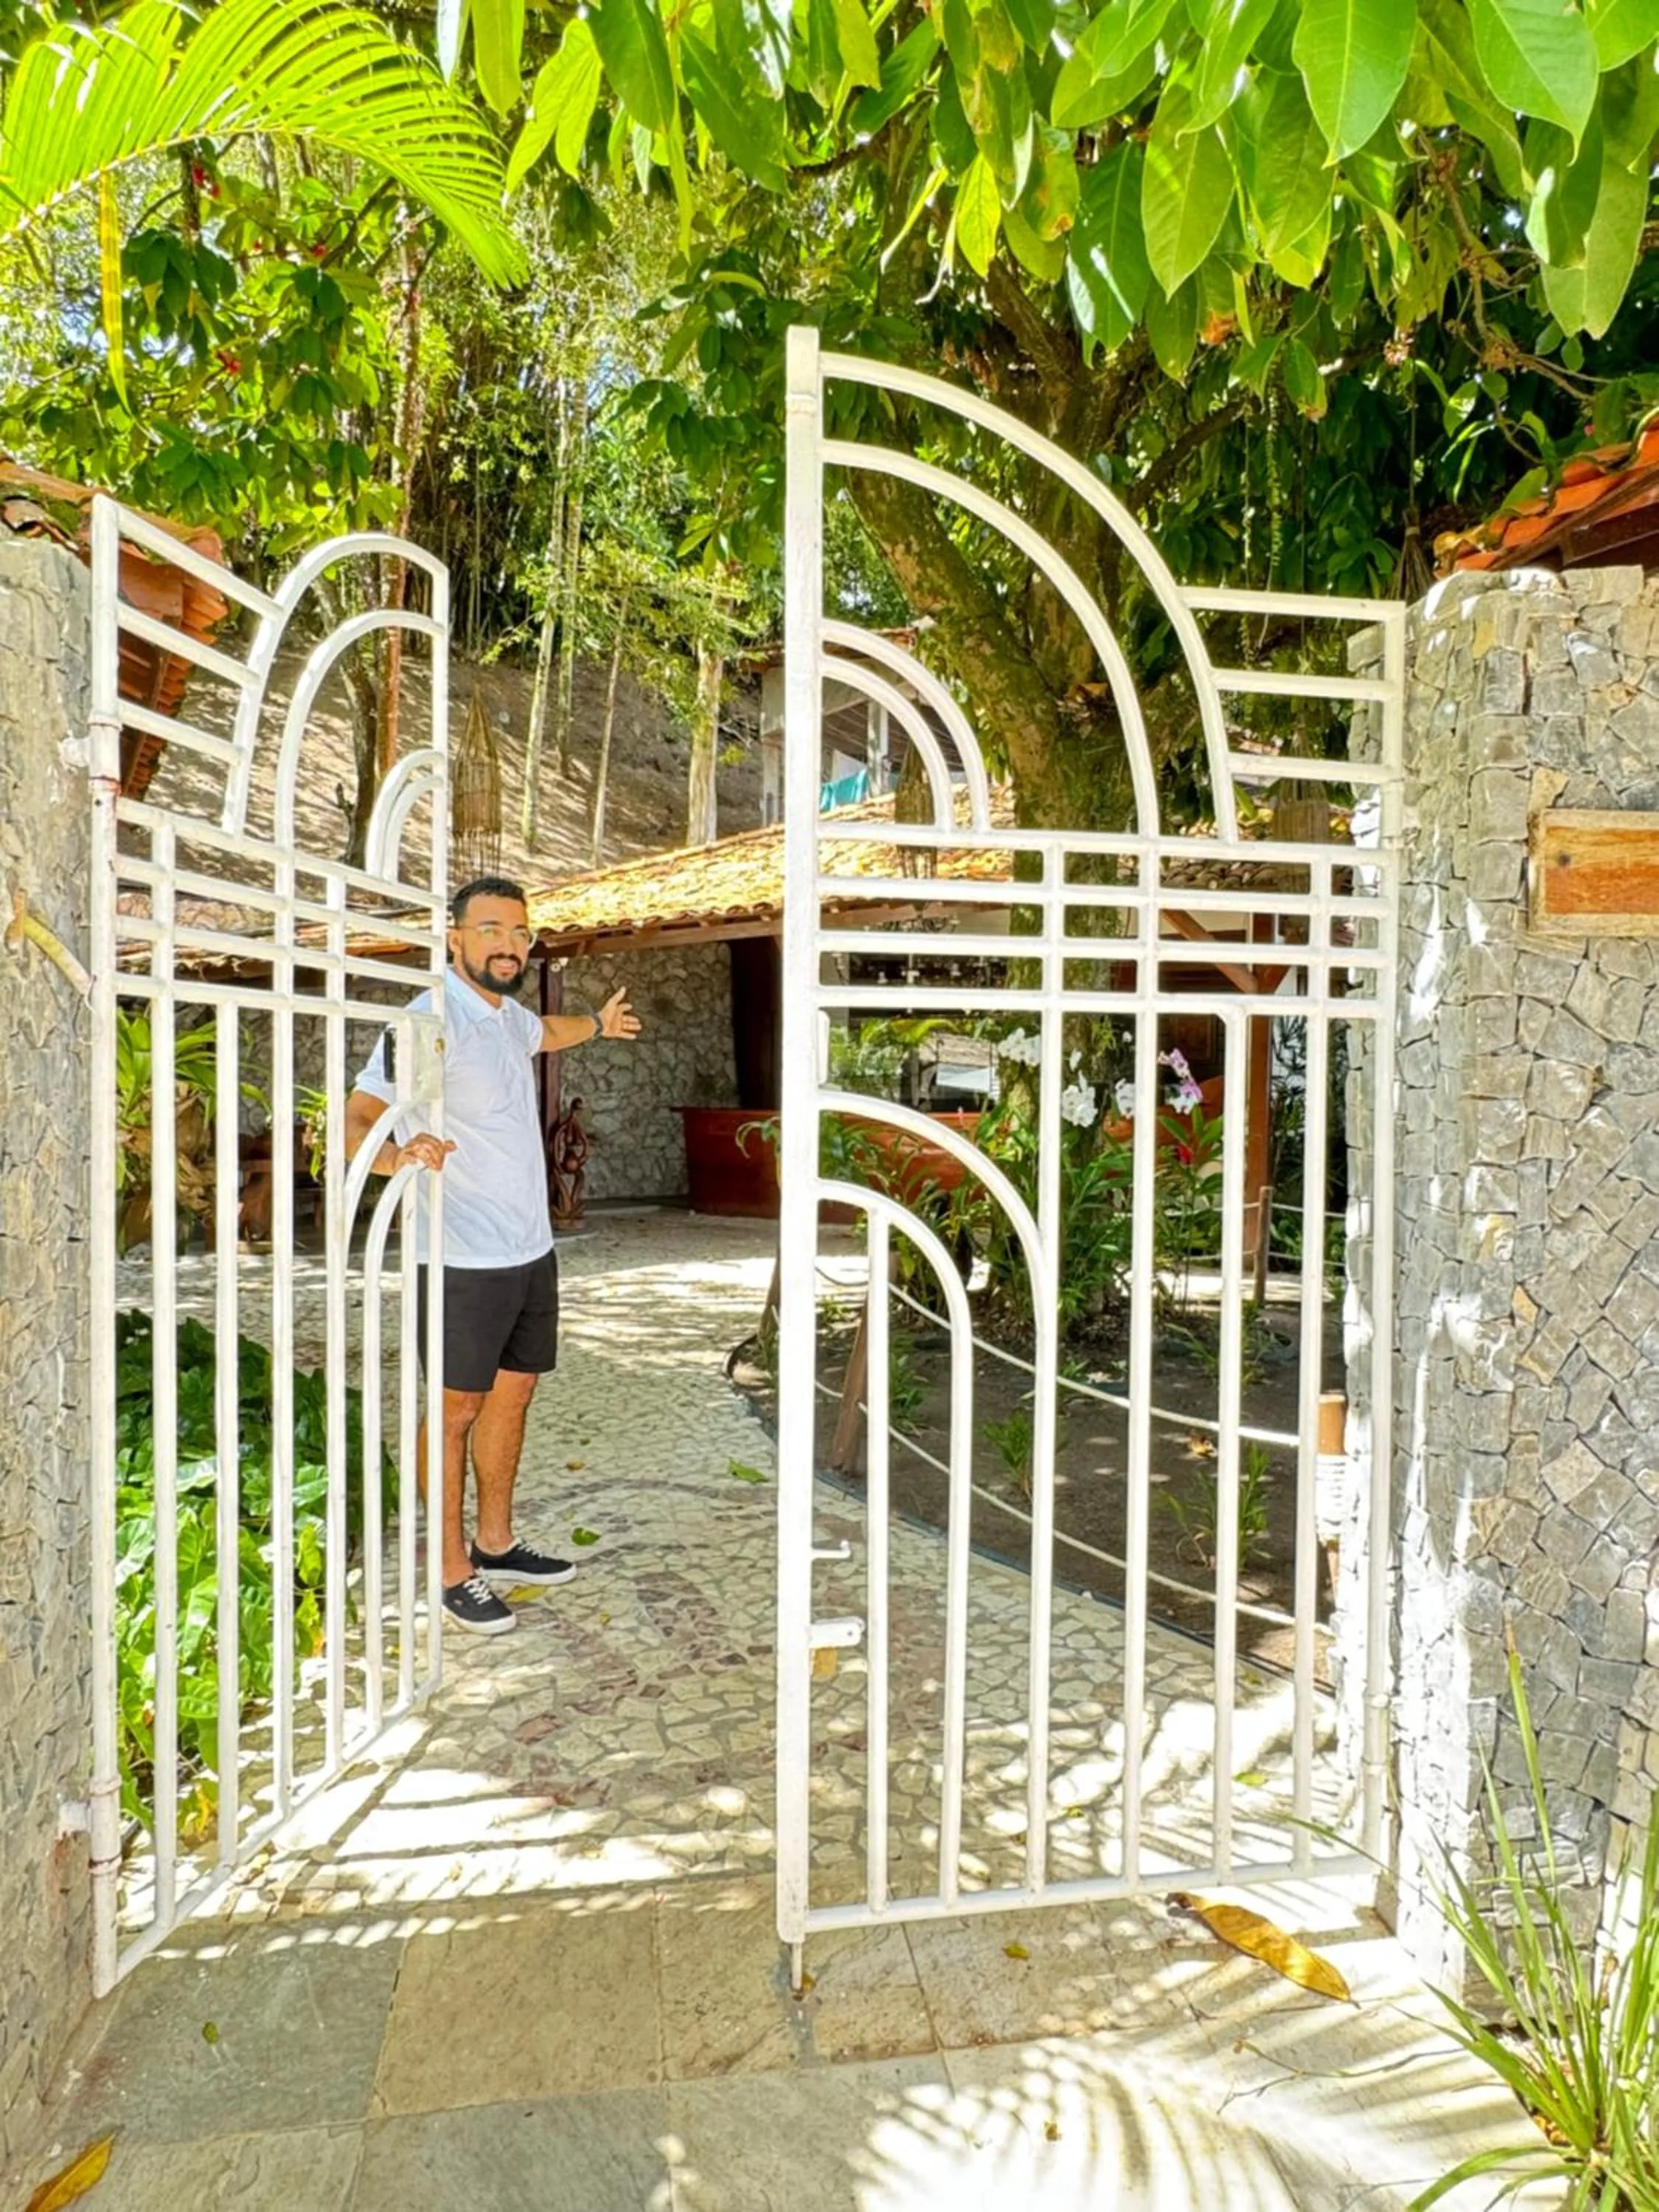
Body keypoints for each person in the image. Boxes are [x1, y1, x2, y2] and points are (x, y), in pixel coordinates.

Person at [345, 874, 641, 1635]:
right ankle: (450, 1571)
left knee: (514, 1397)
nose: (509, 944)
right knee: (454, 1412)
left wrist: (599, 1027)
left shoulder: (505, 1019)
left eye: (519, 932)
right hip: (458, 1255)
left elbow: (549, 1031)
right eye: (491, 930)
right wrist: (394, 1155)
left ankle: (497, 1542)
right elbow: (356, 1117)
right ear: (454, 939)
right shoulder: (428, 1021)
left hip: (527, 1249)